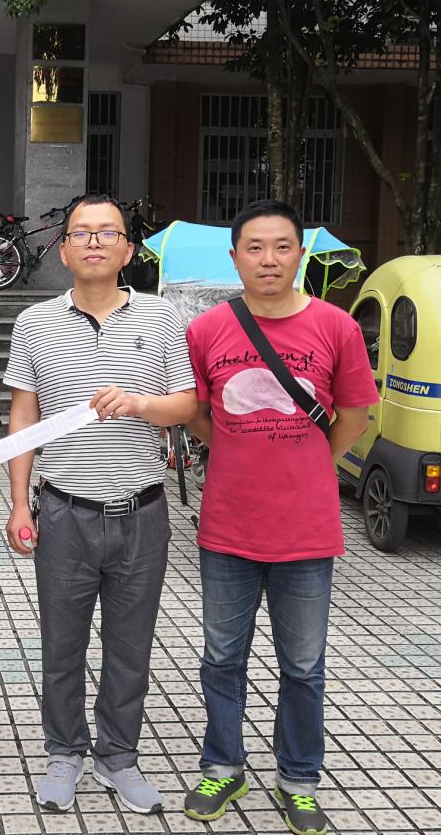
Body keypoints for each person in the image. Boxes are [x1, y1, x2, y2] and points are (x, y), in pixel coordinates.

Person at [182, 199, 377, 835]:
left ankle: (298, 779)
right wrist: (243, 454)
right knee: (221, 658)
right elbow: (198, 414)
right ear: (235, 257)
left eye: (282, 246)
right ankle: (223, 766)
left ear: (300, 254)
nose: (269, 259)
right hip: (228, 527)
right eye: (255, 247)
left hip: (306, 531)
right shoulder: (207, 329)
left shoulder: (336, 327)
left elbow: (354, 416)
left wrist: (309, 461)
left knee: (303, 666)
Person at [2, 194, 197, 814]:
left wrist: (139, 403)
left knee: (130, 647)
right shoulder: (35, 322)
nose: (93, 242)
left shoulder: (162, 317)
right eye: (81, 233)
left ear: (127, 249)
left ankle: (119, 756)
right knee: (61, 646)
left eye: (106, 233)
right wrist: (19, 504)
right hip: (64, 512)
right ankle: (64, 752)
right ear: (62, 250)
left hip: (142, 512)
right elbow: (23, 417)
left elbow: (188, 404)